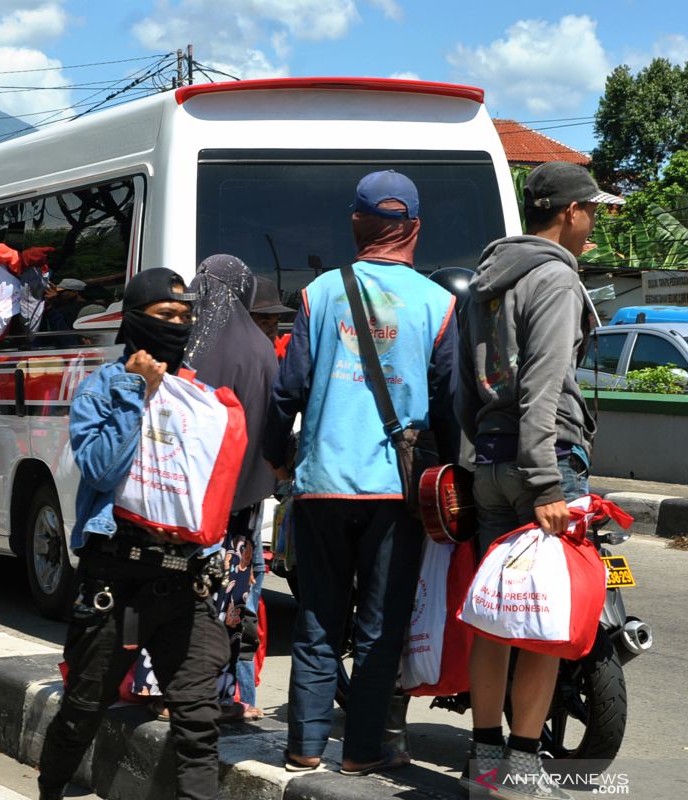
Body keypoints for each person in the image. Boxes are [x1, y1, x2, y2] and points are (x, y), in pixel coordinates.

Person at [264, 170, 457, 775]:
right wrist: (449, 480)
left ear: (355, 224)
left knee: (319, 618)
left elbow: (287, 390)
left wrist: (276, 455)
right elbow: (450, 405)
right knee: (380, 625)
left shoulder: (320, 293)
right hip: (398, 492)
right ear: (415, 229)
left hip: (322, 484)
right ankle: (362, 753)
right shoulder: (439, 303)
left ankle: (304, 746)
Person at [456, 161, 623, 800]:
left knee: (498, 617)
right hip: (542, 460)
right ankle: (521, 772)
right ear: (570, 212)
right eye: (593, 213)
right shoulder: (553, 276)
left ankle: (485, 764)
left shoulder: (486, 280)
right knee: (544, 621)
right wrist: (548, 484)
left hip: (491, 461)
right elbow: (543, 384)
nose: (595, 225)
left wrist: (488, 458)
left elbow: (469, 384)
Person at [37, 268, 230, 800]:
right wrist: (136, 393)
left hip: (184, 580)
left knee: (197, 720)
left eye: (185, 317)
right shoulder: (103, 387)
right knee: (83, 706)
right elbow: (99, 469)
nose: (178, 325)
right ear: (135, 320)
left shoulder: (199, 396)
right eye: (166, 316)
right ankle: (51, 788)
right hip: (115, 579)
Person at [185, 254, 278, 722]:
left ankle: (160, 684)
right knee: (230, 595)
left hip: (185, 499)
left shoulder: (186, 341)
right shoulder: (261, 350)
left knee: (180, 589)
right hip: (239, 499)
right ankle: (220, 694)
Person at [250, 276, 296, 358]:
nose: (272, 332)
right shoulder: (233, 360)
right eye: (264, 323)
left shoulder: (269, 359)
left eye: (275, 323)